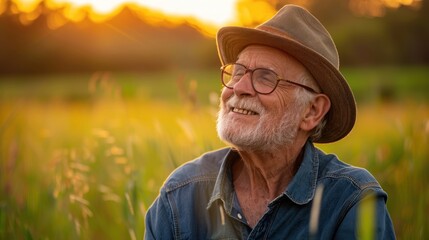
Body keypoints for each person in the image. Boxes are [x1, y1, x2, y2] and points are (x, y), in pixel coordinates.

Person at [145, 4, 396, 239]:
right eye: (238, 72)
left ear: (312, 111)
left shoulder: (351, 202)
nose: (239, 88)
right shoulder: (180, 195)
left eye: (266, 78)